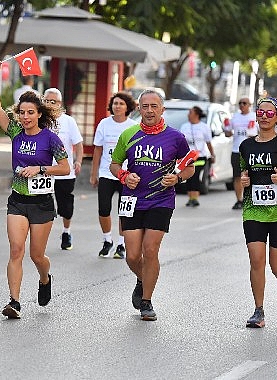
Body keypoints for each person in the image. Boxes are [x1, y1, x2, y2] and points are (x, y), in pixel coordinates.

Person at [0, 62, 70, 319]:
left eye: (30, 113)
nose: (24, 117)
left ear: (38, 114)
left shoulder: (50, 138)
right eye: (21, 112)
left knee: (37, 256)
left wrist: (40, 169)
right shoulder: (15, 132)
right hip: (18, 200)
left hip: (42, 203)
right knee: (16, 250)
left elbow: (64, 168)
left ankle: (45, 278)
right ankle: (14, 301)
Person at [109, 89, 194, 321]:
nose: (149, 111)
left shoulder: (176, 138)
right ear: (139, 108)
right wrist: (125, 176)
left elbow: (189, 167)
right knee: (132, 256)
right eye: (145, 106)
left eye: (154, 106)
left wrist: (177, 178)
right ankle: (142, 278)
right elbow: (115, 165)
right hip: (132, 200)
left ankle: (146, 301)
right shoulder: (128, 134)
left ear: (162, 109)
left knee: (150, 250)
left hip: (161, 200)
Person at [239, 96, 277, 328]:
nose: (264, 116)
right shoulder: (246, 146)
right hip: (253, 211)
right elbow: (244, 173)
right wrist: (244, 180)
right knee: (256, 260)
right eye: (261, 112)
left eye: (270, 113)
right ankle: (258, 311)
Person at [90, 92, 137, 259]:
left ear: (127, 107)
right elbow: (98, 149)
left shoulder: (133, 126)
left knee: (123, 211)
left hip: (125, 174)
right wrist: (94, 173)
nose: (117, 106)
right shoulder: (104, 124)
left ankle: (121, 244)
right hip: (106, 173)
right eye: (115, 103)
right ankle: (107, 240)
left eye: (121, 104)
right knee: (104, 209)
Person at [43, 88, 84, 251]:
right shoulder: (39, 120)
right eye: (47, 100)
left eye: (54, 101)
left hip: (64, 172)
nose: (50, 104)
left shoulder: (68, 121)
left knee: (65, 207)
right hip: (43, 170)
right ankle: (42, 236)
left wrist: (79, 161)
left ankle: (66, 232)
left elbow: (78, 144)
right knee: (43, 205)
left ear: (60, 104)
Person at [223, 97, 257, 210]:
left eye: (244, 103)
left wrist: (251, 133)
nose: (242, 105)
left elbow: (258, 133)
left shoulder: (254, 117)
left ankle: (252, 199)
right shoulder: (235, 117)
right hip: (236, 150)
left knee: (251, 176)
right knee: (237, 177)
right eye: (240, 103)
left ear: (249, 105)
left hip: (251, 150)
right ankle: (239, 200)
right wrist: (226, 127)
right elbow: (229, 133)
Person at [179, 106, 215, 207]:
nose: (188, 114)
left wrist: (212, 154)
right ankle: (190, 198)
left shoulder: (204, 127)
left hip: (200, 156)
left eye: (190, 112)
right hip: (187, 157)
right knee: (188, 177)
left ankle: (195, 198)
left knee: (195, 175)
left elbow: (208, 142)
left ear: (196, 114)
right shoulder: (184, 126)